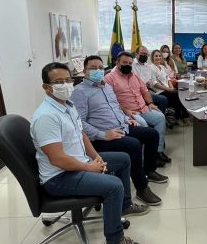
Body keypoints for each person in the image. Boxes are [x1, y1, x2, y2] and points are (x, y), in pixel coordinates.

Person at [31, 62, 146, 244]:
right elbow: (57, 159)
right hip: (60, 177)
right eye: (59, 82)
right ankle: (115, 240)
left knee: (123, 159)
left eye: (68, 80)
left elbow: (81, 134)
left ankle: (125, 205)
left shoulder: (67, 105)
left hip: (78, 162)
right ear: (46, 87)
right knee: (114, 185)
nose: (66, 85)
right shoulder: (46, 116)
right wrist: (89, 167)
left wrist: (96, 157)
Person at [71, 55, 169, 207]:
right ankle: (142, 188)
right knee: (133, 145)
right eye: (93, 68)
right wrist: (103, 135)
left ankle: (149, 170)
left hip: (121, 126)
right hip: (102, 137)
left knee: (151, 134)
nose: (98, 71)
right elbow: (80, 123)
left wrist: (126, 119)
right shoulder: (80, 92)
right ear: (84, 71)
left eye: (100, 68)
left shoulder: (106, 87)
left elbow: (116, 108)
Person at [105, 51, 171, 165]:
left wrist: (150, 103)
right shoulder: (109, 78)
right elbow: (110, 100)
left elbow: (144, 90)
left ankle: (158, 152)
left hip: (143, 108)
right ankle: (143, 158)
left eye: (130, 63)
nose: (128, 65)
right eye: (124, 63)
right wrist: (125, 111)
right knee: (143, 125)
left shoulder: (134, 75)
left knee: (160, 117)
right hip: (127, 112)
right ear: (117, 62)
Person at [150, 50, 190, 125]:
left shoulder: (162, 67)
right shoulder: (151, 68)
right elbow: (154, 83)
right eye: (156, 56)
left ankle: (180, 117)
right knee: (177, 95)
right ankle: (182, 116)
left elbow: (168, 79)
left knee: (179, 93)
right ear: (152, 57)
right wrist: (169, 89)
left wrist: (171, 87)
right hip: (159, 91)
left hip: (168, 89)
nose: (158, 57)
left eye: (159, 56)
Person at [132, 45, 168, 113]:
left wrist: (149, 83)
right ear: (136, 54)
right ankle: (158, 116)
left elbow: (150, 81)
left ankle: (161, 116)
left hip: (146, 91)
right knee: (163, 99)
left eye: (146, 54)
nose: (145, 56)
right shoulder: (131, 64)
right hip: (136, 92)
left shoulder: (147, 66)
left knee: (164, 98)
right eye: (142, 54)